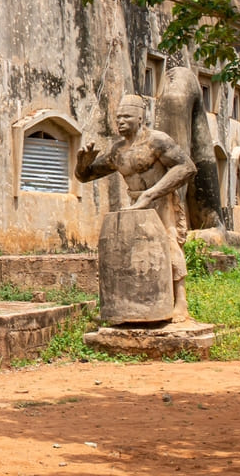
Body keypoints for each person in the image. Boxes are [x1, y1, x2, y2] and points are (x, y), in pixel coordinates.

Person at [75, 95, 196, 322]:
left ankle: (181, 302)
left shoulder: (157, 141)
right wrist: (82, 163)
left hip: (161, 200)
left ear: (140, 117)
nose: (120, 121)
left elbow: (187, 167)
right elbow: (86, 176)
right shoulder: (118, 151)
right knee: (134, 251)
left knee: (169, 245)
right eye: (118, 117)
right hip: (135, 204)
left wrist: (151, 194)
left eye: (126, 116)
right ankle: (140, 302)